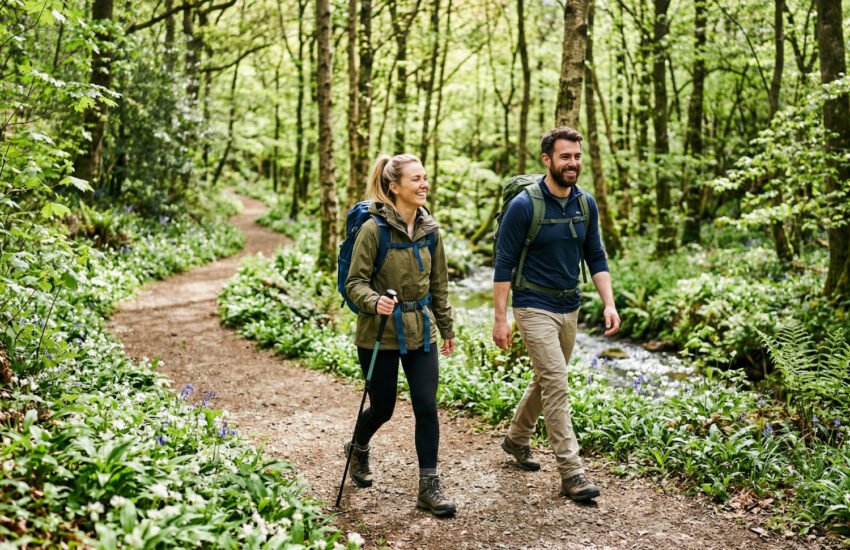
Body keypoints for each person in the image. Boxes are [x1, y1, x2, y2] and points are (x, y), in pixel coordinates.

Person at [492, 126, 620, 502]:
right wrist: (501, 318)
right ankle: (572, 473)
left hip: (570, 306)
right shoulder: (524, 206)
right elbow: (503, 263)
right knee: (557, 383)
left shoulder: (585, 204)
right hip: (532, 305)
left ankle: (516, 439)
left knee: (548, 378)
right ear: (547, 159)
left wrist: (609, 302)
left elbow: (595, 255)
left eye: (577, 156)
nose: (573, 163)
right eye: (565, 156)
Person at [344, 153, 457, 516]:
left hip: (421, 331)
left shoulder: (430, 231)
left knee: (426, 405)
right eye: (416, 179)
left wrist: (447, 326)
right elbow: (354, 282)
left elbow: (439, 285)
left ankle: (429, 485)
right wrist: (373, 300)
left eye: (425, 178)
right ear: (394, 187)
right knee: (384, 407)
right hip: (379, 332)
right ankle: (358, 446)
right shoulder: (372, 229)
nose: (424, 184)